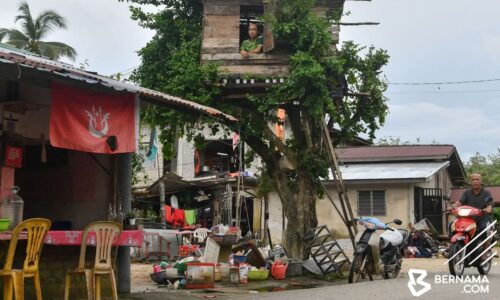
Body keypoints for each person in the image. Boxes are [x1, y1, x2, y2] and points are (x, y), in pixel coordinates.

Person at [454, 173, 494, 260]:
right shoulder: (467, 192)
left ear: (481, 181)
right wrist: (453, 207)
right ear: (470, 182)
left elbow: (489, 204)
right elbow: (460, 202)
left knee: (483, 228)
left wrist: (488, 208)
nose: (475, 181)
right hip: (469, 217)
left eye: (477, 179)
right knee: (454, 225)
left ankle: (485, 250)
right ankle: (457, 246)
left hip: (482, 217)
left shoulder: (486, 193)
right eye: (473, 180)